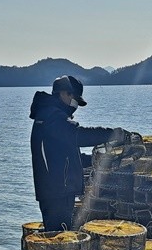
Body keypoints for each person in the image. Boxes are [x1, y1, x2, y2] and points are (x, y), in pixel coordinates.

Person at [29, 75, 124, 231]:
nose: (76, 105)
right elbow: (79, 135)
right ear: (64, 93)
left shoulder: (49, 115)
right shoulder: (52, 116)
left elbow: (65, 154)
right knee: (59, 238)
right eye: (75, 100)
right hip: (56, 193)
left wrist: (94, 160)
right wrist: (113, 134)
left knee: (61, 235)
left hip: (56, 190)